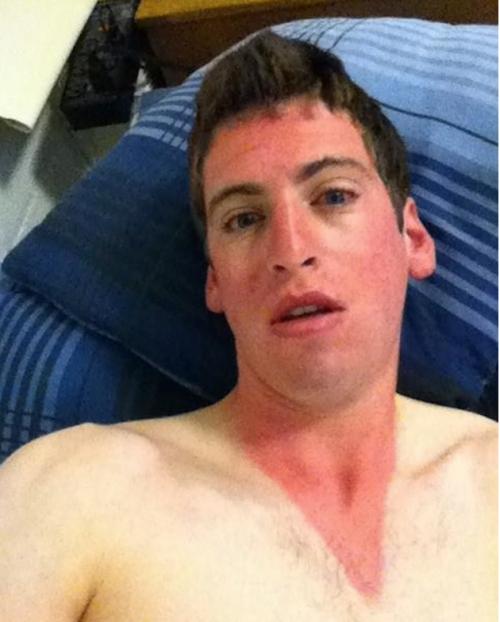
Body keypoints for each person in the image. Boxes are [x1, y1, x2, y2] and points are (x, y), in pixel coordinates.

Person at [0, 32, 496, 621]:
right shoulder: (74, 490)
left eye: (333, 196)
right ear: (215, 281)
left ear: (411, 238)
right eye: (243, 219)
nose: (290, 250)